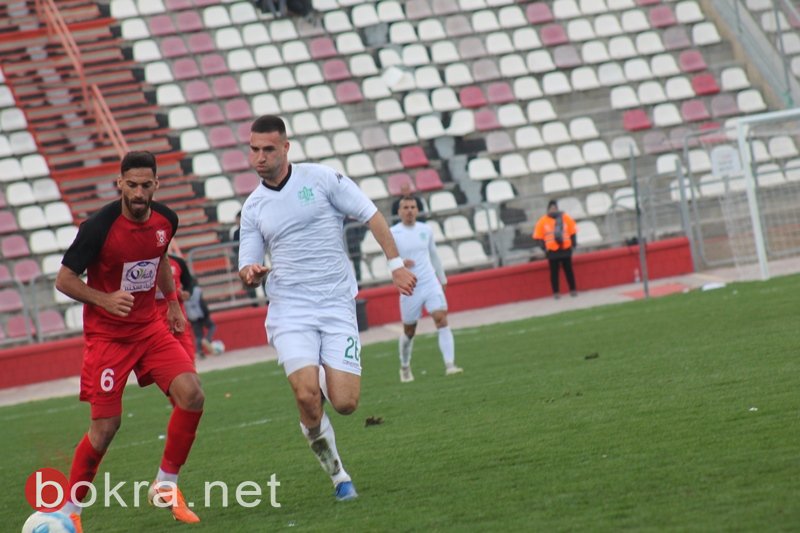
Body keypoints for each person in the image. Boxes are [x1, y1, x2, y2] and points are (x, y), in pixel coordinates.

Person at [237, 115, 416, 501]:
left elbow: (371, 214)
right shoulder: (253, 208)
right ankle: (339, 476)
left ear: (286, 148)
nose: (260, 157)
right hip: (290, 310)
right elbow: (246, 266)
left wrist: (396, 266)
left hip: (336, 305)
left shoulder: (321, 179)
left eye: (268, 149)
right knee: (305, 397)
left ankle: (319, 376)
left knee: (347, 403)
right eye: (254, 149)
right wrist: (251, 273)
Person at [55, 151, 205, 531]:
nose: (139, 192)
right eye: (132, 184)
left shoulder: (166, 220)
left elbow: (159, 258)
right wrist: (104, 299)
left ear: (156, 184)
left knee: (192, 394)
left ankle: (166, 485)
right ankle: (68, 510)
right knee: (106, 428)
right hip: (108, 337)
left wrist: (171, 303)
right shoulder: (98, 228)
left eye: (146, 185)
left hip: (149, 328)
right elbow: (65, 280)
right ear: (120, 183)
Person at [391, 196, 463, 382]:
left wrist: (442, 278)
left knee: (441, 319)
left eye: (413, 207)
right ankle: (404, 366)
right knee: (409, 331)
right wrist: (399, 263)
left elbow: (434, 255)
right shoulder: (393, 233)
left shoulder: (426, 230)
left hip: (430, 282)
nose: (409, 210)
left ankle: (450, 365)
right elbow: (389, 262)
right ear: (399, 212)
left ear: (417, 210)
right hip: (410, 286)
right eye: (405, 207)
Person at [155, 241, 196, 361]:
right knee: (163, 359)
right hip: (155, 317)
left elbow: (189, 283)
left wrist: (186, 293)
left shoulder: (178, 262)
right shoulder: (146, 263)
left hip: (178, 314)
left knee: (187, 356)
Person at [532, 199, 578, 299]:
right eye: (551, 208)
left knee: (568, 270)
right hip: (552, 250)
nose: (553, 210)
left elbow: (573, 231)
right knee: (554, 272)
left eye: (555, 208)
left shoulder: (565, 218)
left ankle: (573, 289)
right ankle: (556, 292)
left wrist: (573, 244)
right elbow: (538, 236)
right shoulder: (543, 221)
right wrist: (544, 248)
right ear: (548, 209)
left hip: (565, 248)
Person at [184, 284, 217, 357]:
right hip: (201, 314)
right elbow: (202, 303)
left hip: (192, 316)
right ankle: (207, 339)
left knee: (198, 335)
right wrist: (206, 313)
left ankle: (199, 351)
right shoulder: (197, 290)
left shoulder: (181, 292)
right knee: (212, 326)